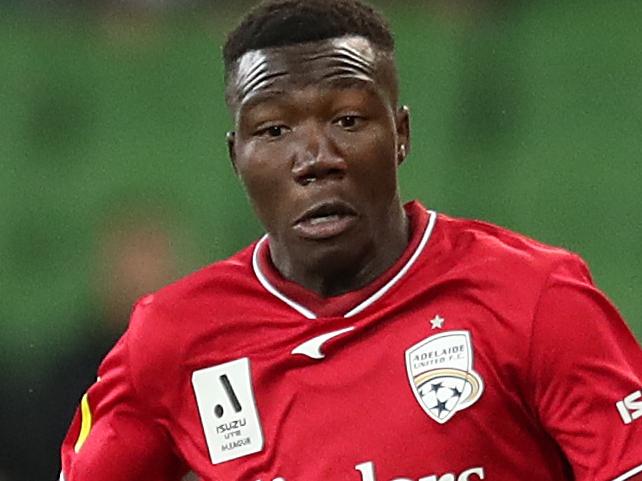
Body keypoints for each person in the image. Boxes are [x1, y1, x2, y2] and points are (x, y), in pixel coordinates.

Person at [59, 0, 642, 480]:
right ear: (237, 158)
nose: (316, 159)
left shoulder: (535, 295)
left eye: (348, 120)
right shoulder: (175, 337)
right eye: (274, 129)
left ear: (401, 135)